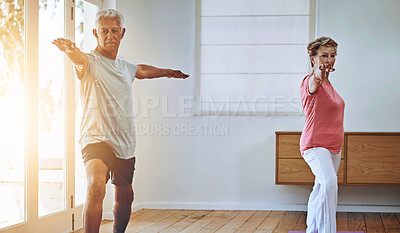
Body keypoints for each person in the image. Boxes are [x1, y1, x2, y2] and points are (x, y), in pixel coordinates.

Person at [53, 9, 189, 233]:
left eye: (114, 31)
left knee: (125, 198)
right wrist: (71, 51)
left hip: (125, 142)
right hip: (95, 138)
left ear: (122, 33)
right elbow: (79, 60)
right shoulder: (90, 61)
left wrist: (167, 71)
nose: (109, 35)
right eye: (104, 31)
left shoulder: (125, 67)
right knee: (96, 185)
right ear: (96, 33)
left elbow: (142, 70)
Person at [299, 36, 345, 233]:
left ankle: (313, 230)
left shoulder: (330, 86)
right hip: (315, 145)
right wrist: (319, 73)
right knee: (329, 185)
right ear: (313, 58)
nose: (329, 59)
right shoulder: (310, 82)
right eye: (323, 55)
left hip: (334, 147)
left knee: (321, 189)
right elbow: (316, 78)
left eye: (332, 55)